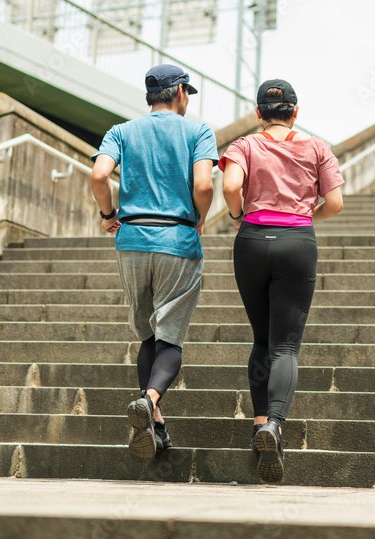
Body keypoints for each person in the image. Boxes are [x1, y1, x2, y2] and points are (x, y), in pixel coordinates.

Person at [90, 64, 218, 465]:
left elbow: (98, 176)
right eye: (187, 93)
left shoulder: (121, 131)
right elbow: (203, 185)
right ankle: (149, 398)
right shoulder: (199, 132)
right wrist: (199, 218)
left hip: (131, 240)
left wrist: (108, 213)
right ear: (179, 91)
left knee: (147, 334)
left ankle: (155, 423)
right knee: (171, 337)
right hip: (176, 240)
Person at [219, 78, 344, 483]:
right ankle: (275, 423)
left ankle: (259, 425)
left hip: (252, 240)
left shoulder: (244, 146)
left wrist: (238, 215)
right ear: (295, 111)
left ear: (258, 113)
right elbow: (336, 203)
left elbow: (230, 185)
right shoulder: (316, 147)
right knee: (286, 343)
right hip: (296, 241)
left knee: (261, 340)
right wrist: (306, 217)